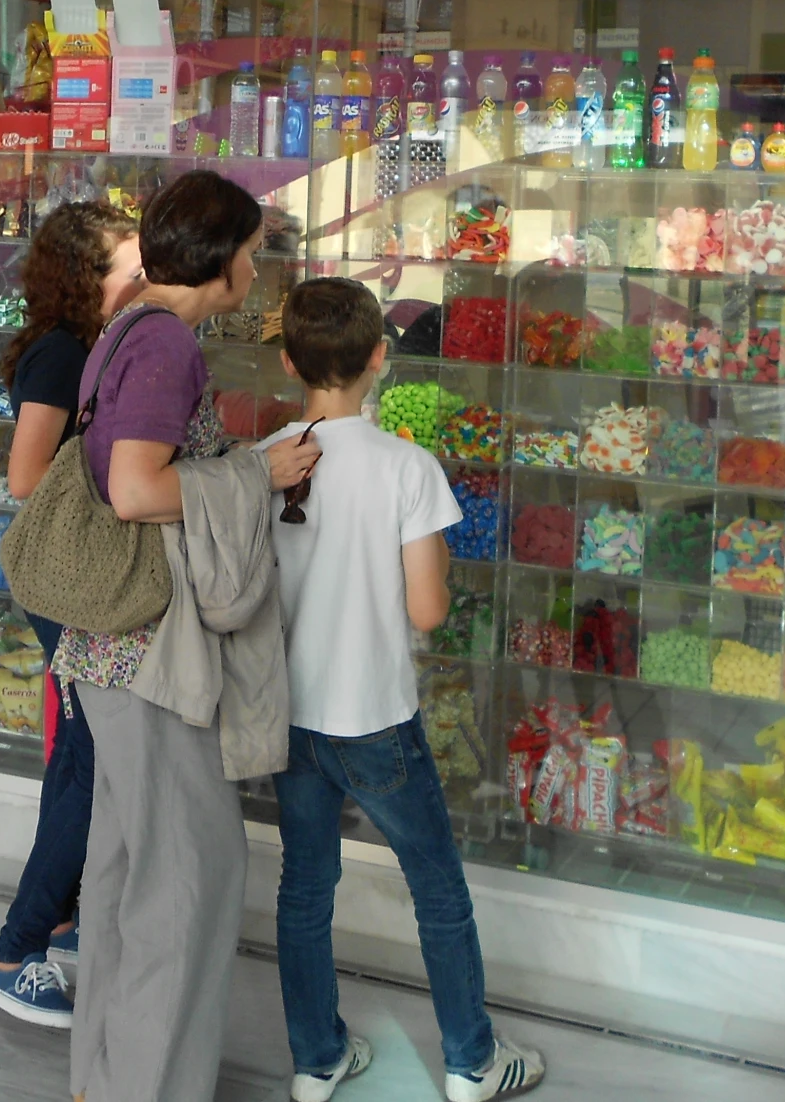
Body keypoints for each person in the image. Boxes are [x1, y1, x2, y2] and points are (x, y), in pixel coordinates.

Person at [60, 170, 321, 1102]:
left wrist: (243, 464)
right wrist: (253, 475)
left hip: (110, 644)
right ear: (221, 257)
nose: (259, 266)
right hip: (151, 651)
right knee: (190, 878)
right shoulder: (168, 346)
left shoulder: (127, 323)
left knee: (130, 868)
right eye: (253, 249)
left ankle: (105, 1075)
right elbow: (135, 491)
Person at [260, 278, 547, 1102]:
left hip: (290, 717)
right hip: (375, 718)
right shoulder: (407, 468)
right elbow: (426, 611)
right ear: (381, 358)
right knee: (438, 891)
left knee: (304, 889)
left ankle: (316, 1061)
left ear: (286, 362)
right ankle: (471, 1062)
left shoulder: (262, 461)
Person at [0, 201, 143, 1028]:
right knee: (87, 759)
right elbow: (24, 476)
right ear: (87, 278)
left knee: (83, 756)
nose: (143, 277)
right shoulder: (61, 354)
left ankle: (62, 916)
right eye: (128, 265)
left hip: (76, 573)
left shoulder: (94, 346)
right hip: (66, 576)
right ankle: (14, 952)